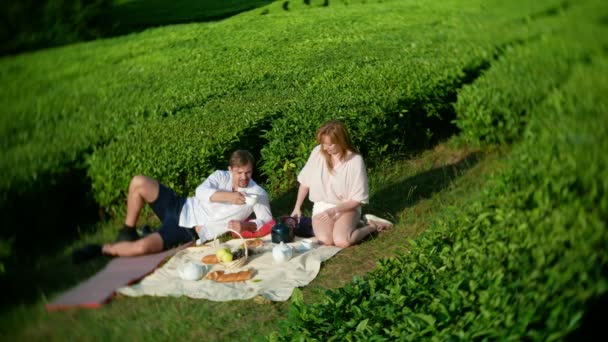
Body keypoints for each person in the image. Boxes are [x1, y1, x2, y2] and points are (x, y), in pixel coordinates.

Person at [73, 150, 273, 263]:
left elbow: (266, 221)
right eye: (239, 173)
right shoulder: (220, 176)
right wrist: (230, 196)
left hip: (186, 230)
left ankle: (102, 249)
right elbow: (200, 192)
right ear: (231, 170)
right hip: (181, 206)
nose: (244, 177)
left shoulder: (259, 193)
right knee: (138, 181)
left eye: (248, 172)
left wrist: (245, 226)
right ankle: (128, 230)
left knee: (142, 248)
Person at [290, 120, 392, 248]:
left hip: (347, 208)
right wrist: (297, 207)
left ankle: (371, 226)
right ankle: (354, 225)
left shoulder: (355, 160)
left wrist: (334, 211)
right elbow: (305, 182)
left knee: (342, 241)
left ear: (342, 141)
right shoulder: (318, 152)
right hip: (322, 208)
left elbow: (358, 199)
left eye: (330, 144)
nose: (325, 148)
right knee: (326, 241)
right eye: (323, 143)